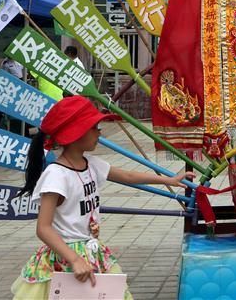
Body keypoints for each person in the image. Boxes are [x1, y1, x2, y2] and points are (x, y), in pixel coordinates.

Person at [11, 95, 193, 298]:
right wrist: (74, 259)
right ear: (76, 133)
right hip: (65, 258)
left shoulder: (90, 163)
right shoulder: (56, 175)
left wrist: (169, 180)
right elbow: (43, 228)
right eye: (94, 128)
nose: (99, 133)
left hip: (92, 250)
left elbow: (128, 175)